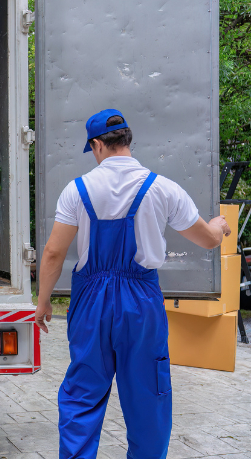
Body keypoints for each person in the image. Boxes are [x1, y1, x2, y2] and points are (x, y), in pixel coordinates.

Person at [36, 109, 231, 458]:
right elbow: (208, 240)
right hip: (141, 303)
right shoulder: (163, 188)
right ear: (127, 140)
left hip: (91, 303)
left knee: (82, 394)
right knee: (147, 397)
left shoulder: (77, 190)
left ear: (97, 145)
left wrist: (44, 301)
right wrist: (220, 225)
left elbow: (52, 253)